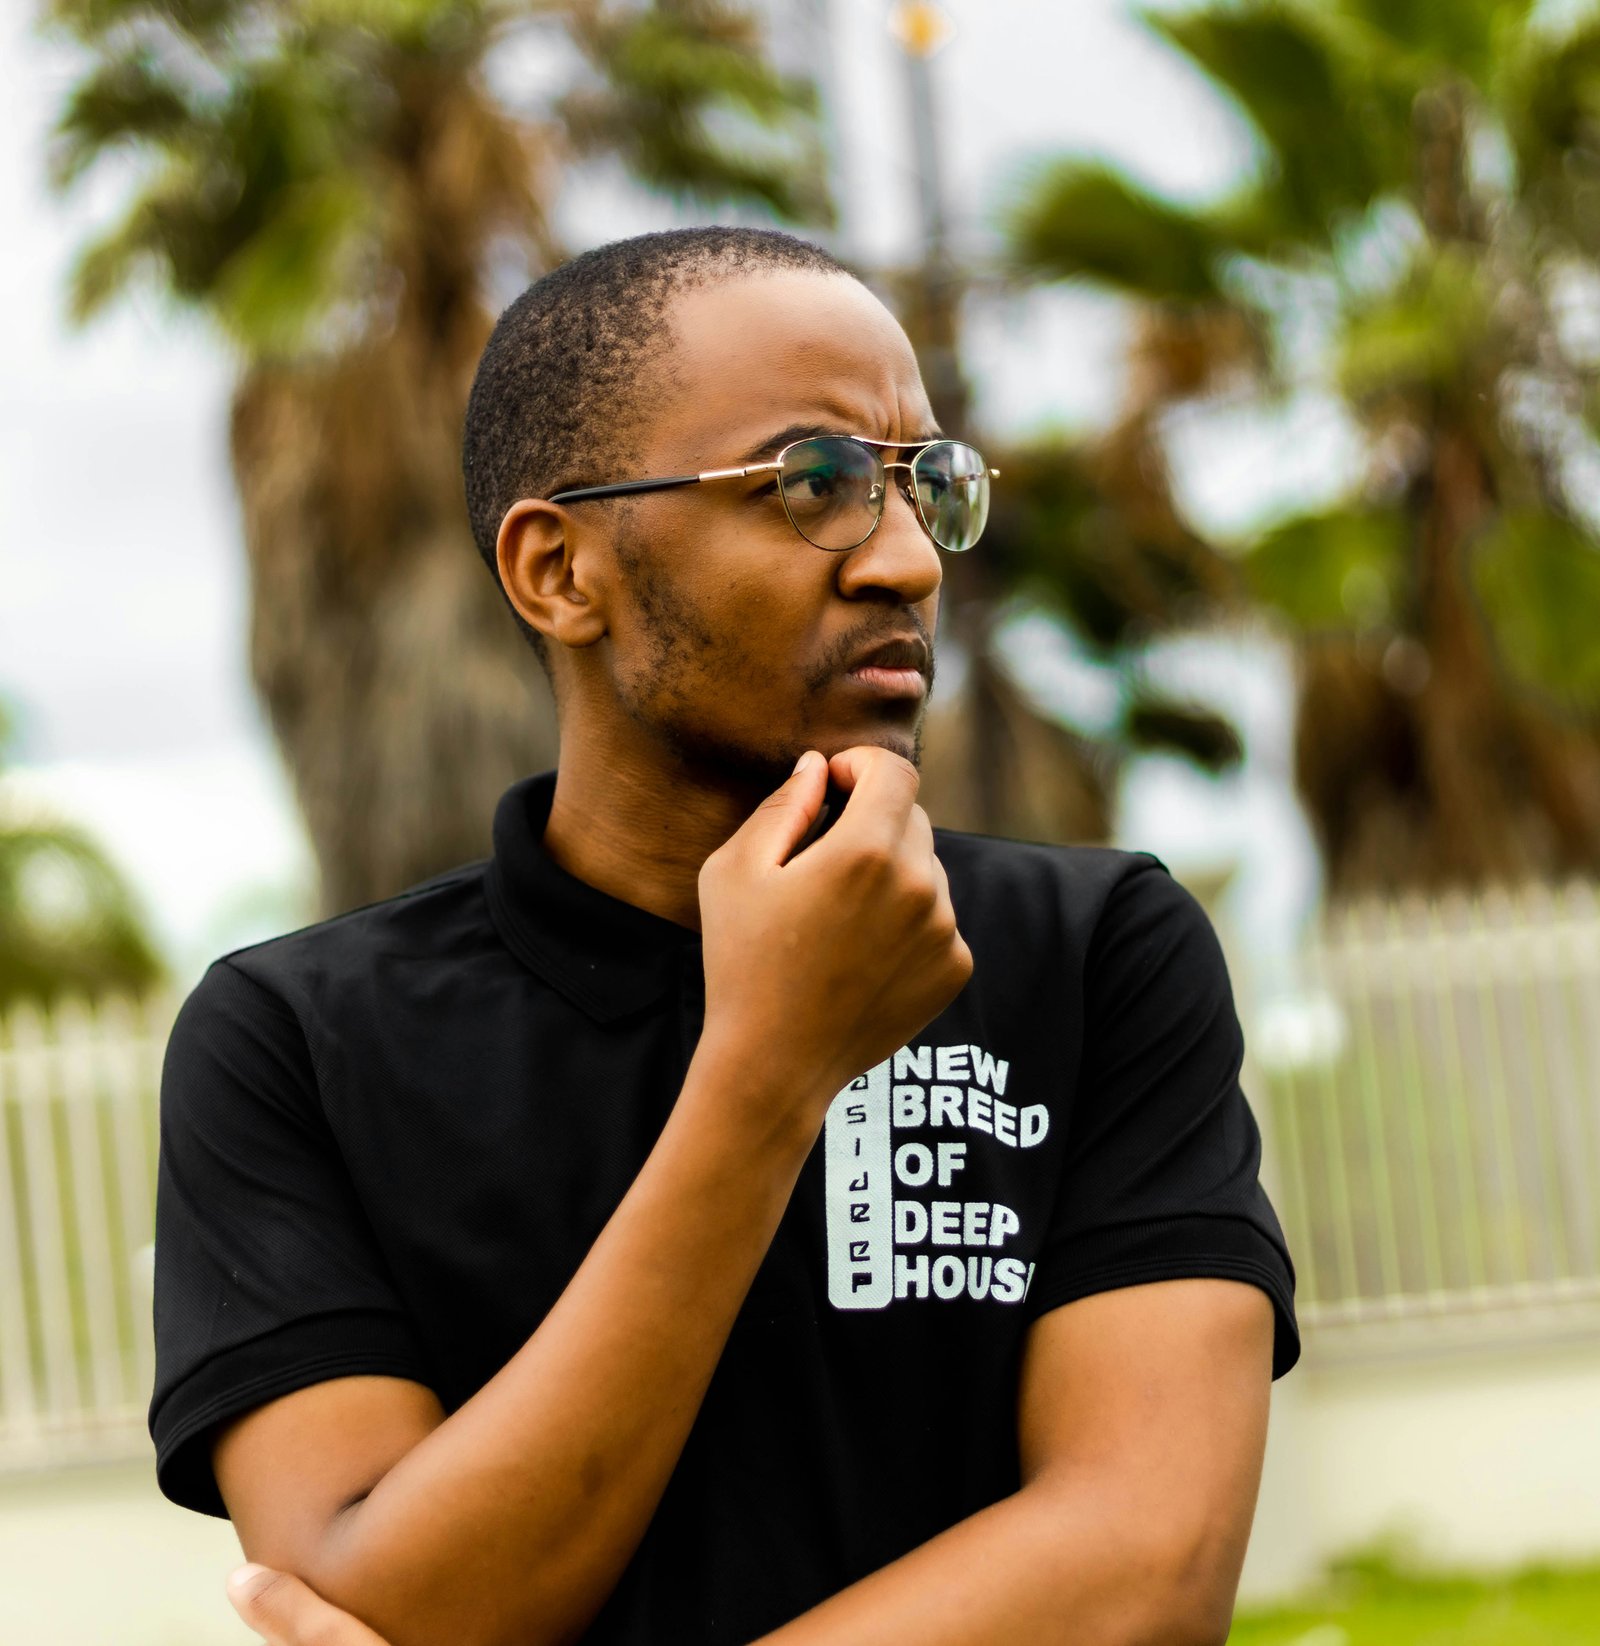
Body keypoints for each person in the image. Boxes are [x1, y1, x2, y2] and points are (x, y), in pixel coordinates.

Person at [150, 225, 1301, 1646]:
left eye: (928, 485)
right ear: (560, 571)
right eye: (816, 482)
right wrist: (767, 1071)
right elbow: (371, 1595)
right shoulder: (297, 1044)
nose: (906, 561)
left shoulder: (1093, 951)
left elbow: (1144, 1567)